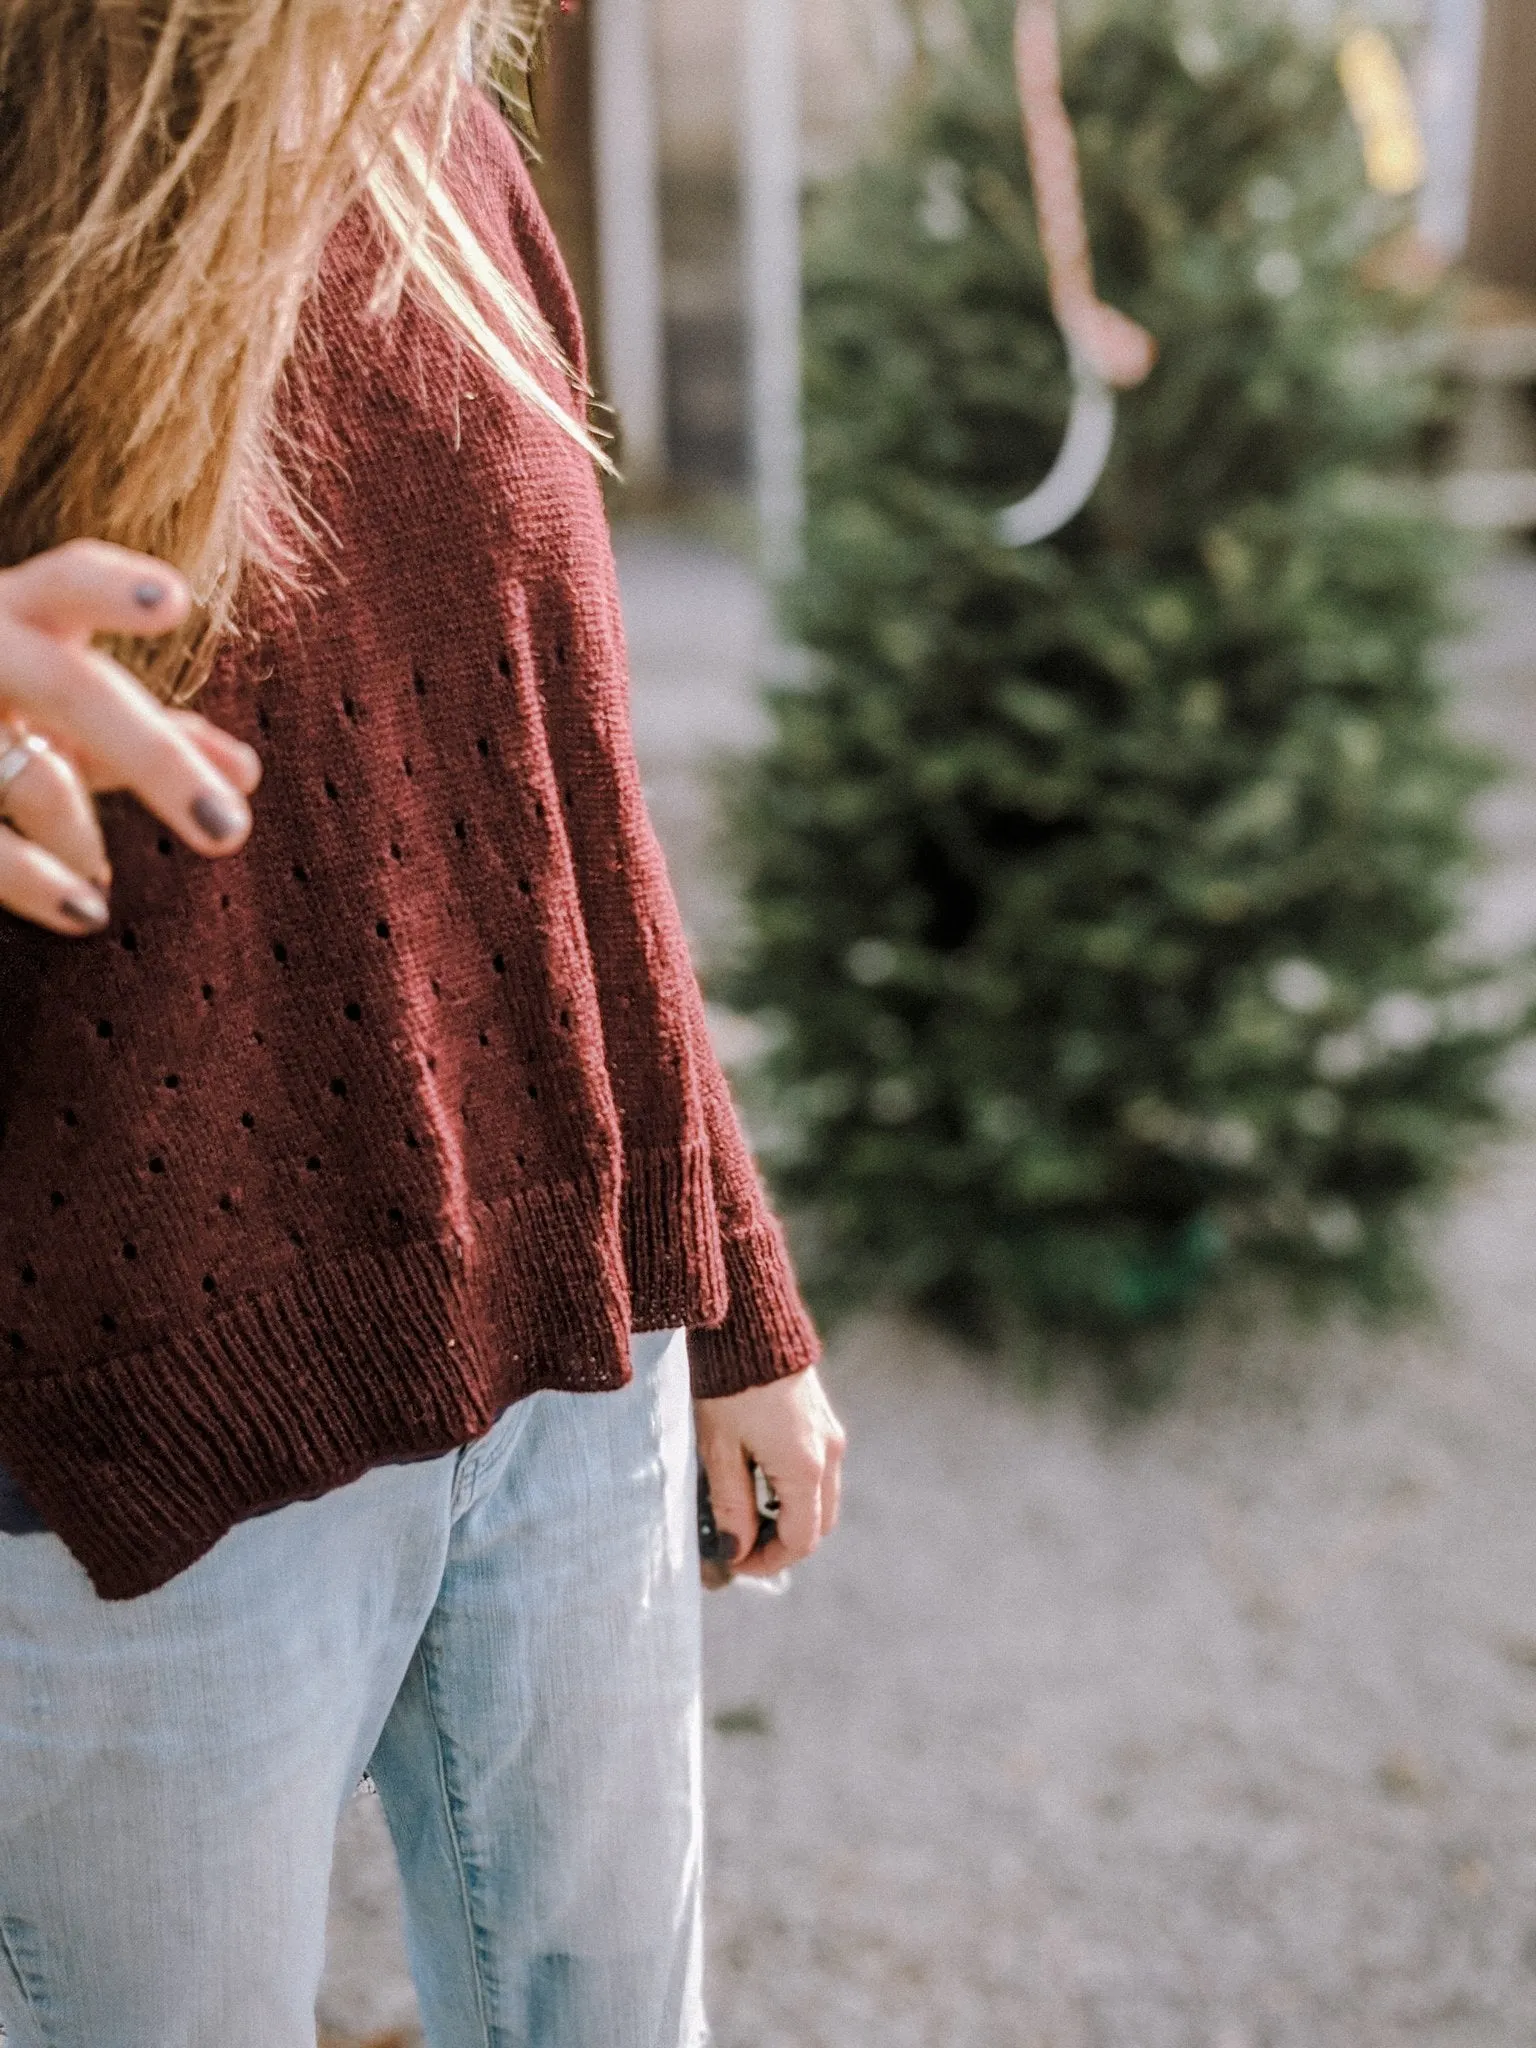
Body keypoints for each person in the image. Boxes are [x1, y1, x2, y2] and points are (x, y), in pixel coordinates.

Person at [0, 6, 844, 2044]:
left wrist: (732, 1298)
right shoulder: (40, 167)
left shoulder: (438, 144)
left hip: (568, 1382)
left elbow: (579, 791)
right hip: (135, 1447)